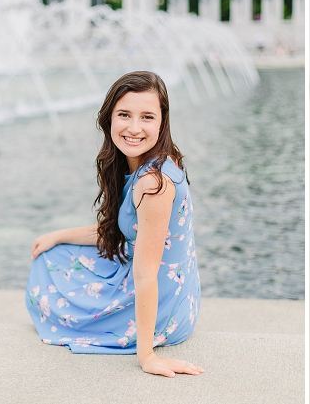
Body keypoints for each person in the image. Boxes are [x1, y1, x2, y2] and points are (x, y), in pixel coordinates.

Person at [26, 71, 202, 378]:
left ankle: (131, 331)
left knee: (52, 285)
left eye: (147, 117)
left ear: (162, 122)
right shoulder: (144, 163)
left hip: (162, 304)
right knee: (51, 254)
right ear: (109, 119)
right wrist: (57, 235)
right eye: (124, 115)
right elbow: (123, 231)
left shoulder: (153, 182)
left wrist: (146, 356)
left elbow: (146, 273)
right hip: (166, 288)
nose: (134, 128)